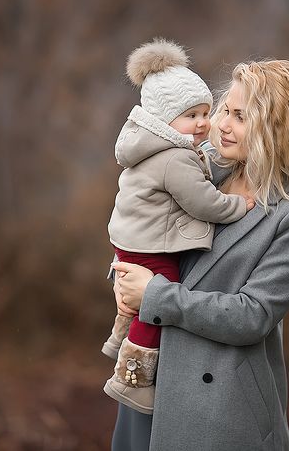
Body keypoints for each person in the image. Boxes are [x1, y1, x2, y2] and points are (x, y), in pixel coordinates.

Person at [110, 59, 289, 450]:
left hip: (219, 410)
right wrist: (126, 279)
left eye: (240, 116)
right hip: (151, 381)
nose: (221, 123)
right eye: (225, 109)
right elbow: (144, 230)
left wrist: (153, 295)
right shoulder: (201, 171)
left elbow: (251, 315)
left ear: (278, 129)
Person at [102, 38, 255, 415]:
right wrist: (240, 205)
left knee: (136, 299)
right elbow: (204, 202)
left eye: (206, 112)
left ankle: (117, 337)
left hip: (132, 241)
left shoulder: (152, 146)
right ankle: (131, 379)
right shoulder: (175, 159)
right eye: (192, 116)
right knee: (155, 301)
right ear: (165, 119)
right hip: (150, 247)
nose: (205, 123)